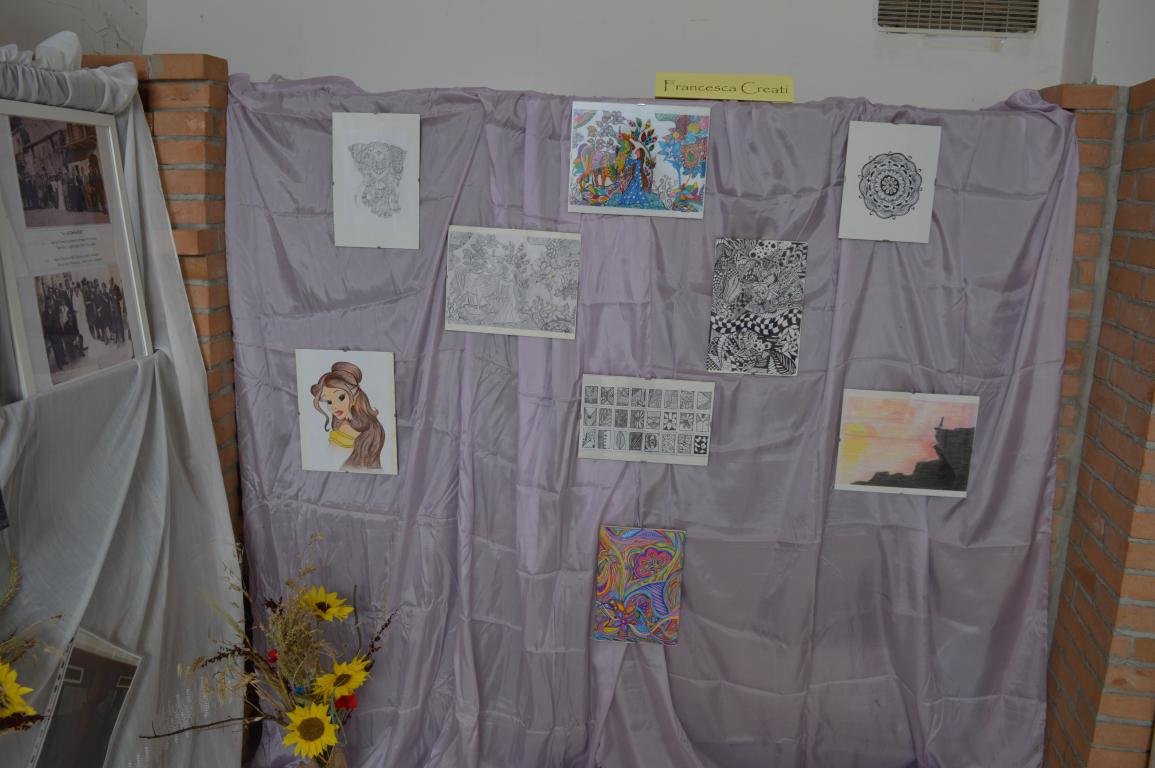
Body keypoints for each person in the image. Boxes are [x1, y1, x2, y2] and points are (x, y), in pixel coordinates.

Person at [309, 362, 386, 471]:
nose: (334, 407)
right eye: (329, 402)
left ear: (354, 396)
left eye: (341, 397)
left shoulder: (356, 429)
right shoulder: (345, 424)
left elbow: (331, 461)